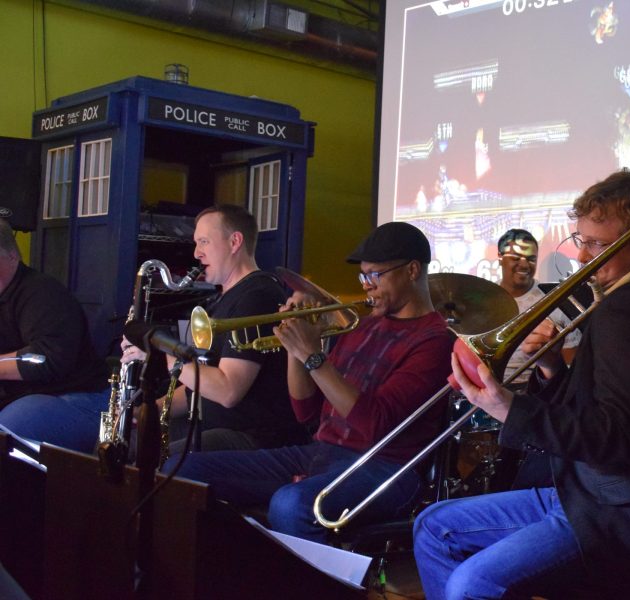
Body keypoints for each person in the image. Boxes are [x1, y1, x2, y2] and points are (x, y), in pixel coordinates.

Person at [413, 170, 630, 599]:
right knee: (433, 526)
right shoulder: (624, 301)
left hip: (618, 513)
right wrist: (551, 367)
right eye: (582, 240)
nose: (582, 256)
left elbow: (617, 438)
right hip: (583, 492)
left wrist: (509, 408)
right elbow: (596, 410)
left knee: (473, 582)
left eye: (597, 244)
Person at [163, 221, 454, 544]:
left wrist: (312, 355)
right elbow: (306, 411)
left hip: (389, 467)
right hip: (323, 452)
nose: (367, 287)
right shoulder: (362, 327)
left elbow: (374, 424)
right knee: (182, 470)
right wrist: (294, 345)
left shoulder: (435, 340)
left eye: (375, 275)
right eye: (363, 277)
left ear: (412, 270)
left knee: (291, 506)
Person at [122, 204, 305, 453]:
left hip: (251, 436)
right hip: (211, 425)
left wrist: (157, 356)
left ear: (234, 242)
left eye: (204, 242)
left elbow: (228, 390)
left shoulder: (257, 297)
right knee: (124, 443)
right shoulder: (221, 299)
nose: (196, 253)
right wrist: (150, 409)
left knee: (154, 458)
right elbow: (199, 386)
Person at [0, 218, 110, 452]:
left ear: (12, 256)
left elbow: (46, 359)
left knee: (6, 432)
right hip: (28, 396)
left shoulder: (42, 293)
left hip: (78, 397)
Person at [496, 228, 580, 387]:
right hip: (486, 388)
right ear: (500, 258)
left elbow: (572, 365)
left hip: (536, 392)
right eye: (516, 258)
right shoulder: (483, 300)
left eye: (531, 259)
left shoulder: (555, 300)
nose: (524, 264)